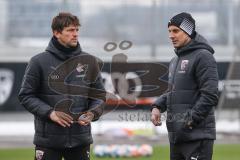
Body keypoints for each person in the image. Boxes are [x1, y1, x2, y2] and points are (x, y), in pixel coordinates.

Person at [18, 12, 106, 160]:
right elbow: (26, 96)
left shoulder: (90, 61)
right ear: (56, 33)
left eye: (77, 30)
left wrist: (92, 113)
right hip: (48, 142)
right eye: (70, 30)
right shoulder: (38, 62)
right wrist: (50, 113)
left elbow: (99, 96)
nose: (75, 34)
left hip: (81, 140)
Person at [151, 12, 219, 160]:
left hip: (196, 136)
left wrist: (189, 121)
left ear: (188, 31)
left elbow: (210, 95)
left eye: (176, 31)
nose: (171, 35)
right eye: (169, 31)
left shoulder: (203, 56)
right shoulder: (175, 60)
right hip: (177, 137)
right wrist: (157, 106)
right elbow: (174, 92)